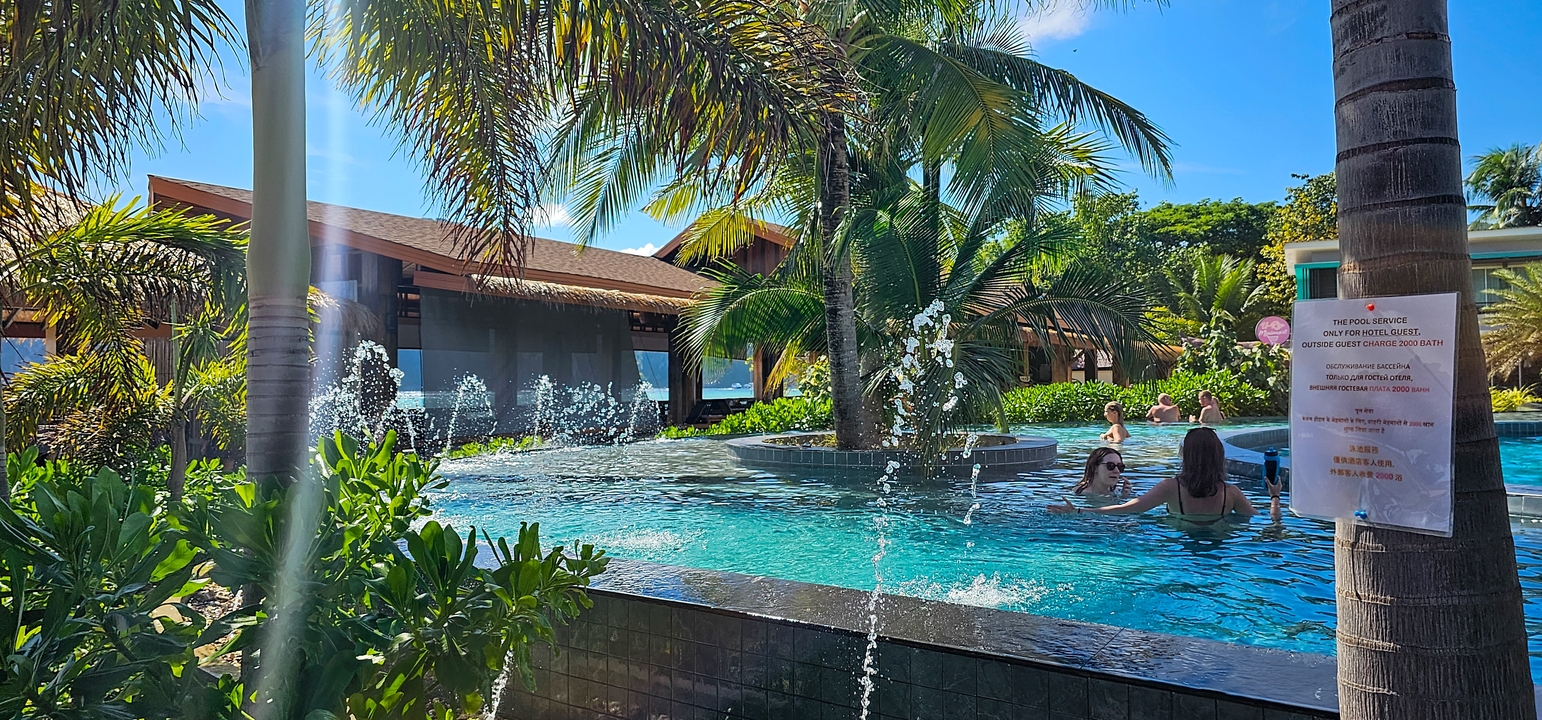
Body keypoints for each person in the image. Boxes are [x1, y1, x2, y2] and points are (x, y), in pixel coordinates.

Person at [1050, 427, 1257, 524]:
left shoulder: (1171, 487)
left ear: (1186, 456)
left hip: (1180, 550)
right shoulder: (1232, 493)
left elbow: (1128, 509)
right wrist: (1274, 497)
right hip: (1219, 550)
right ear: (1218, 456)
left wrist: (1078, 510)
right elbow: (1261, 521)